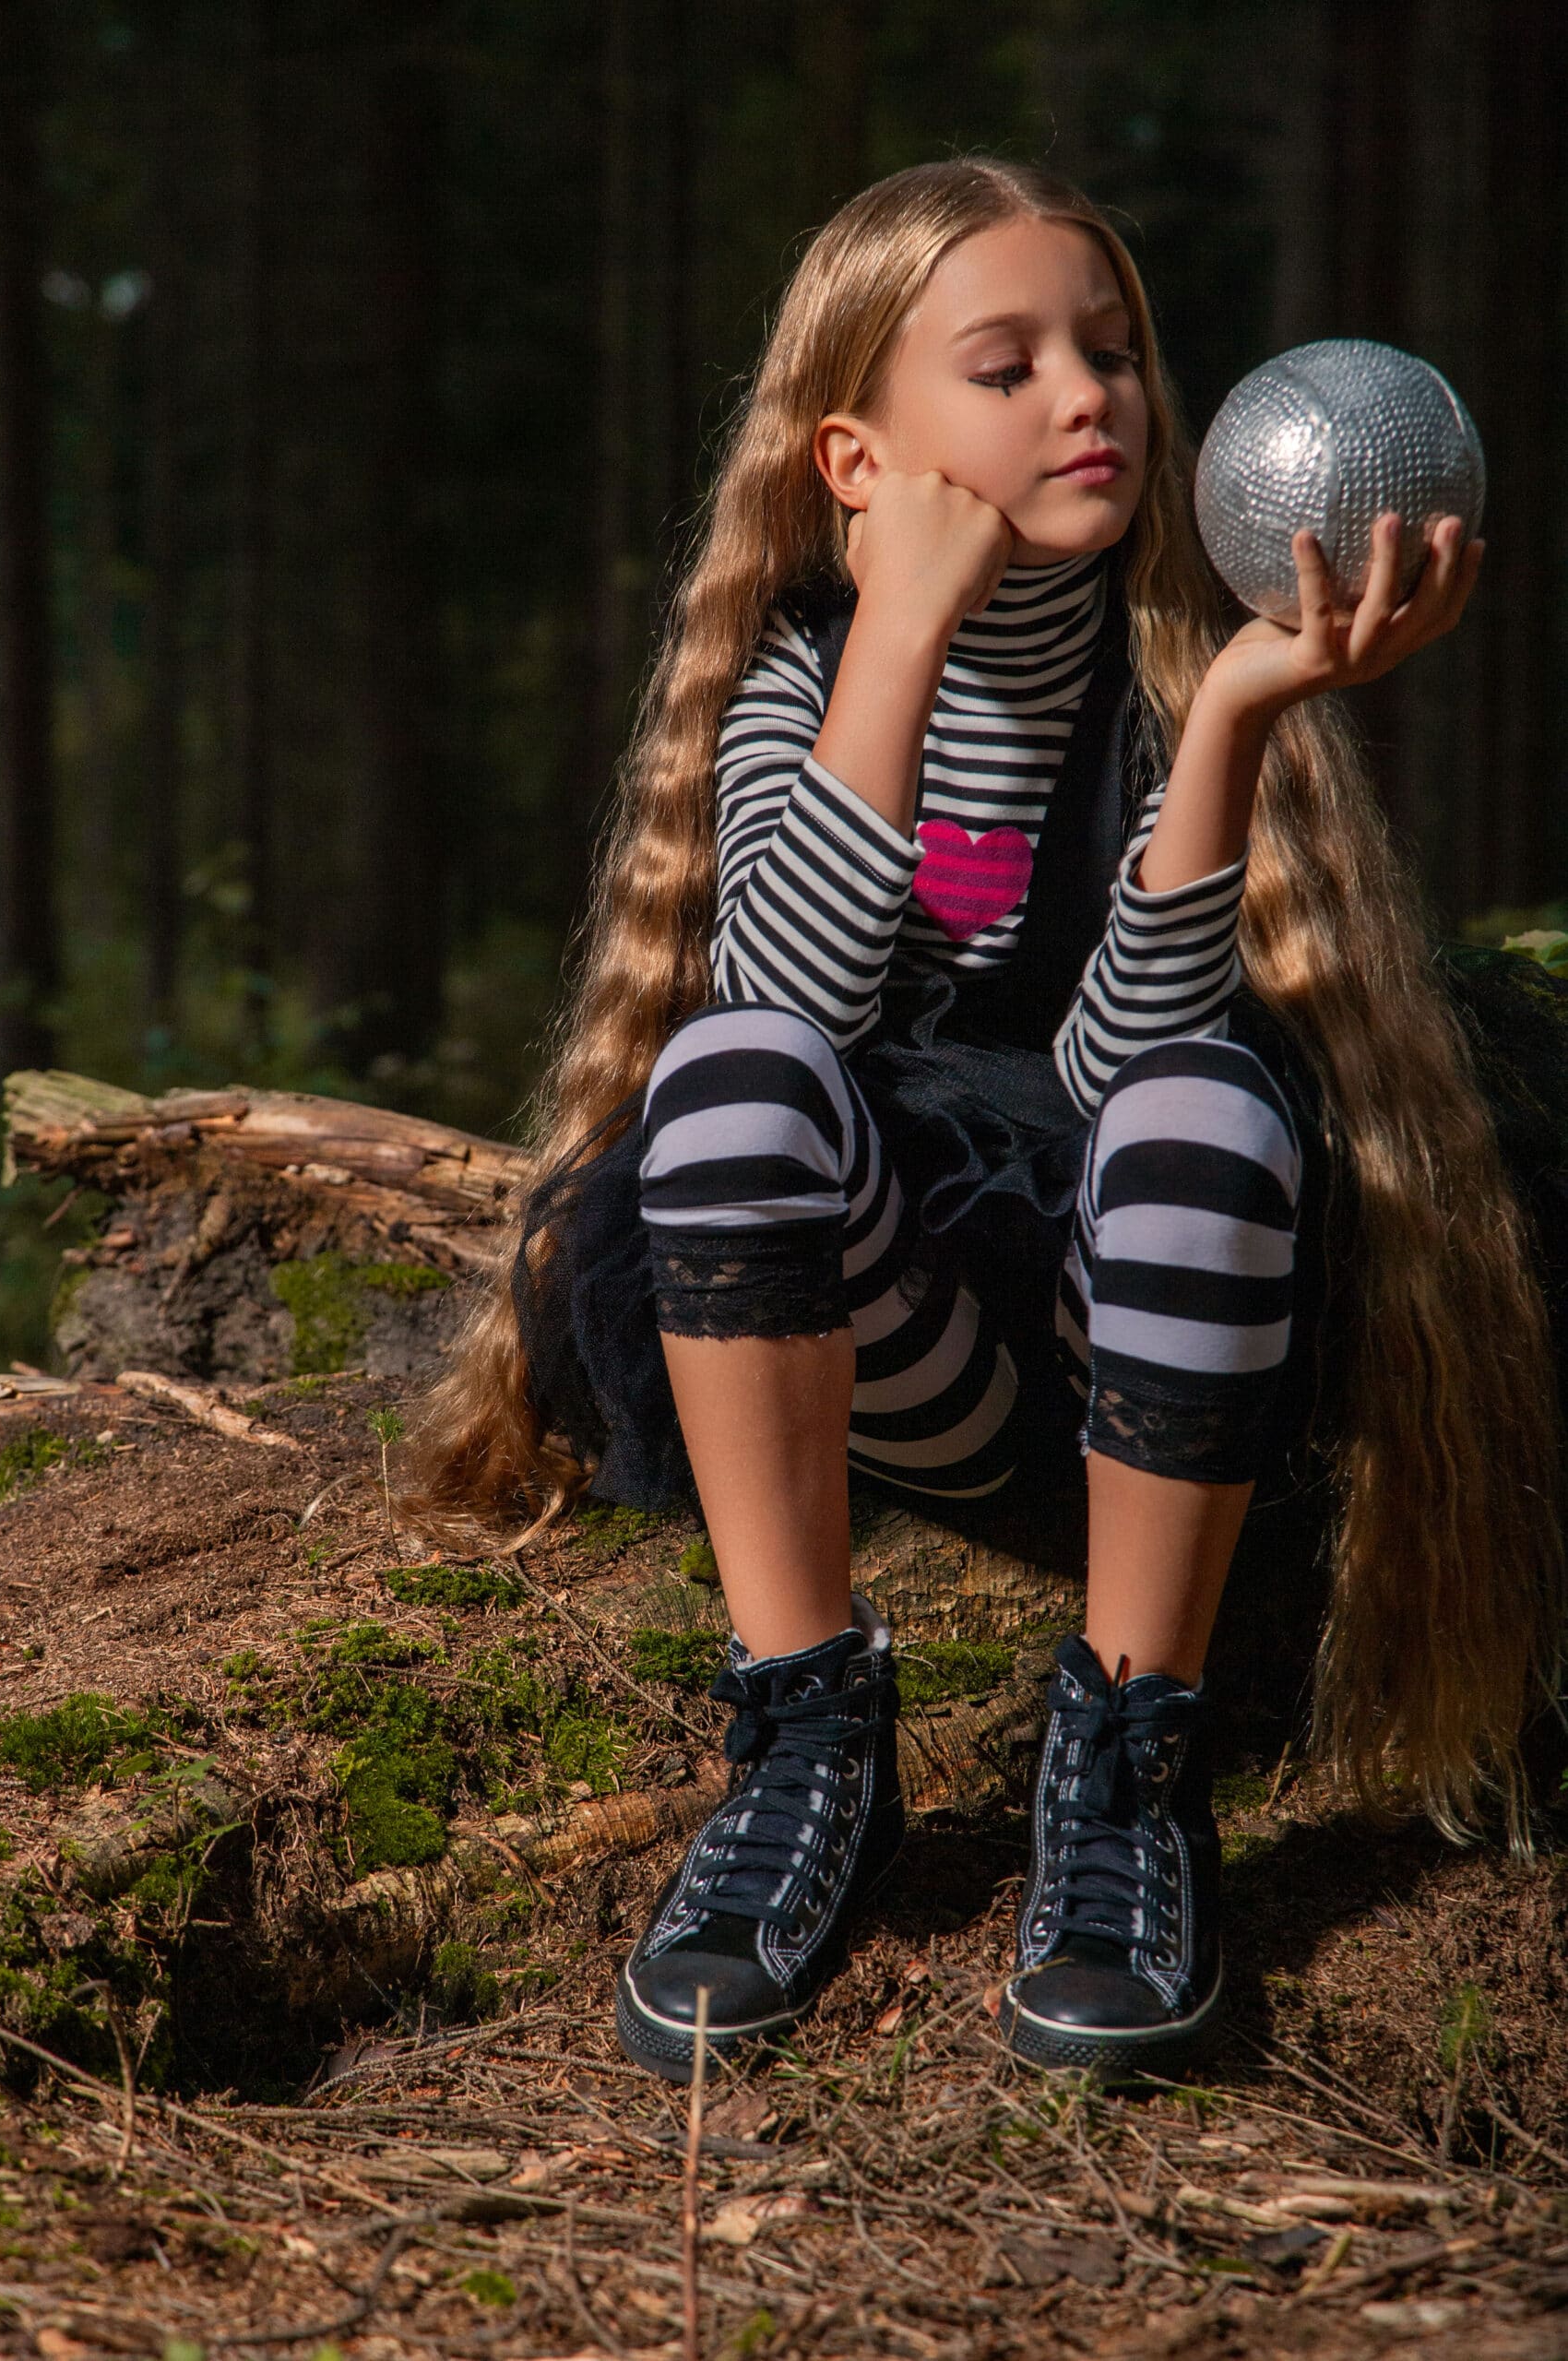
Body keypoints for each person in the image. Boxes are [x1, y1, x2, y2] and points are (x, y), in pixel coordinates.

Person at [399, 158, 1565, 2086]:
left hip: (1148, 1356)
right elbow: (788, 1012)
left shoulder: (1156, 683)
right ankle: (800, 1729)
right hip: (875, 1340)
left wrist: (1233, 721)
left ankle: (1125, 1756)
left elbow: (1125, 1075)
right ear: (855, 459)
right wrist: (892, 643)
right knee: (727, 1076)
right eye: (1003, 364)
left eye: (1108, 350)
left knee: (1205, 1089)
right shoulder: (796, 677)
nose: (1086, 393)